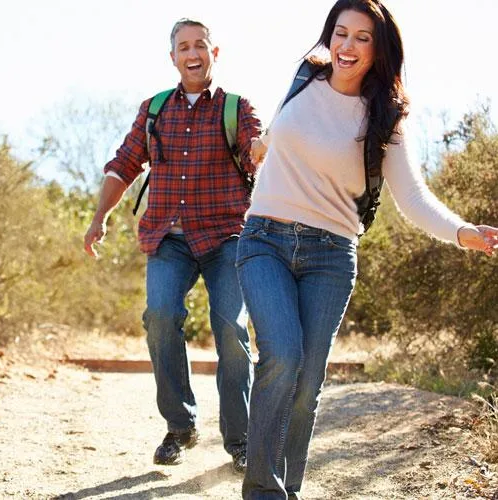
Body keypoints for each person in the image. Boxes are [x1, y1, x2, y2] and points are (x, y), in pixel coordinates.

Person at [237, 1, 498, 498]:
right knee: (283, 355)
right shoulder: (303, 78)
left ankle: (287, 488)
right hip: (264, 238)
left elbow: (413, 197)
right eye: (340, 33)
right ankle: (262, 491)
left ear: (379, 50)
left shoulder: (385, 119)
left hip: (331, 255)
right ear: (328, 36)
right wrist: (261, 147)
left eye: (361, 37)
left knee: (308, 381)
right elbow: (279, 133)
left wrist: (462, 232)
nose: (346, 46)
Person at [83, 18, 262, 473]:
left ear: (214, 53)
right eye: (183, 46)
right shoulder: (154, 109)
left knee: (232, 332)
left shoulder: (237, 108)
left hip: (226, 238)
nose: (192, 52)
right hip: (167, 236)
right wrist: (99, 217)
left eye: (200, 44)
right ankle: (180, 427)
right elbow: (124, 164)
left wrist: (262, 148)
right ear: (173, 57)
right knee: (160, 317)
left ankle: (241, 440)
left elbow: (254, 151)